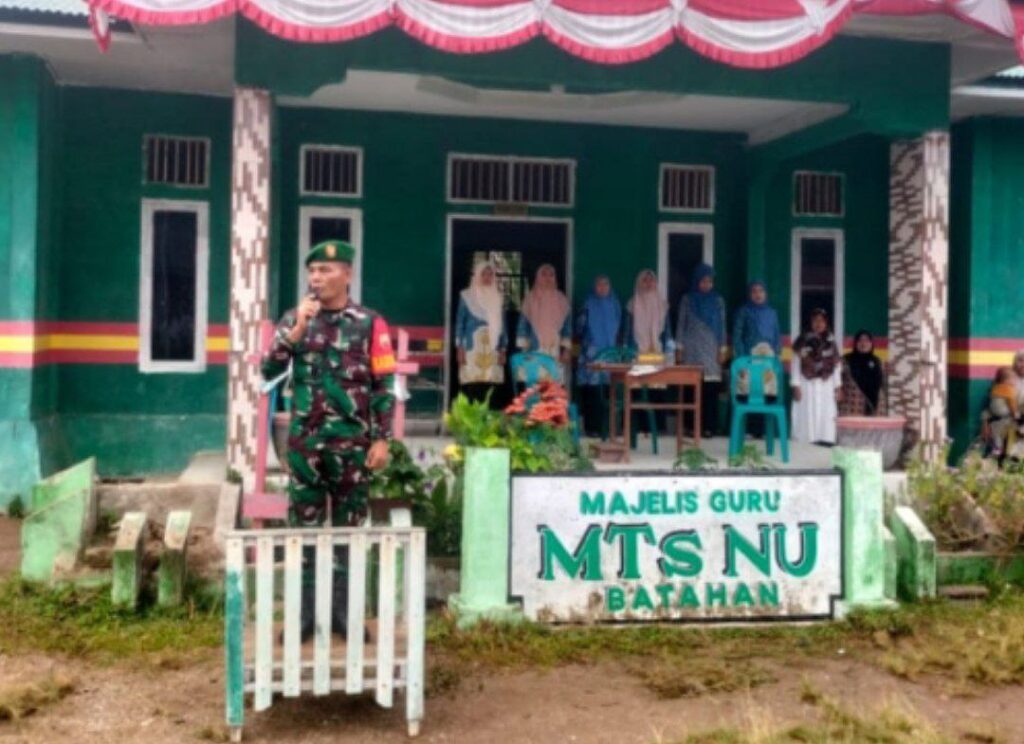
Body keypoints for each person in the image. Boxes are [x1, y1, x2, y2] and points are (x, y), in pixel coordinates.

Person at [261, 239, 395, 641]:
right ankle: (304, 616)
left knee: (350, 532)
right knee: (303, 530)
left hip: (352, 446)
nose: (316, 278)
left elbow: (384, 385)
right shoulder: (294, 318)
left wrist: (382, 440)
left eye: (325, 270)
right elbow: (269, 370)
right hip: (305, 445)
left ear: (347, 274)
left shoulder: (370, 323)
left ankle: (345, 614)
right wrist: (297, 331)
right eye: (313, 271)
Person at [675, 263, 727, 437]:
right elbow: (681, 324)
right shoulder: (687, 299)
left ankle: (708, 427)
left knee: (710, 389)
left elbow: (722, 326)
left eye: (710, 281)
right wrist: (679, 348)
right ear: (697, 281)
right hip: (692, 349)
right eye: (703, 281)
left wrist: (722, 349)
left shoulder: (718, 301)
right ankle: (690, 427)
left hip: (711, 349)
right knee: (691, 388)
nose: (706, 284)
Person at [626, 269, 674, 433]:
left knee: (657, 389)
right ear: (639, 283)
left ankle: (658, 428)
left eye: (651, 280)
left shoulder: (662, 305)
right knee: (638, 389)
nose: (648, 284)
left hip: (656, 351)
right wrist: (628, 350)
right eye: (644, 280)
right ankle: (639, 427)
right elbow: (627, 330)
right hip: (638, 351)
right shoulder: (632, 304)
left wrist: (669, 350)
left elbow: (667, 331)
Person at [575, 275, 622, 437]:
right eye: (599, 285)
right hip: (591, 354)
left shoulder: (614, 304)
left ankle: (608, 428)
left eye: (605, 284)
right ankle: (592, 428)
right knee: (592, 391)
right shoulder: (587, 304)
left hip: (610, 354)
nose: (602, 288)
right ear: (594, 287)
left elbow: (618, 326)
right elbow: (579, 328)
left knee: (609, 391)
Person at [455, 261, 507, 405]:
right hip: (471, 347)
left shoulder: (498, 298)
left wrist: (503, 350)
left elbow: (503, 326)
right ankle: (472, 415)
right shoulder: (466, 296)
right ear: (477, 275)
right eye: (484, 274)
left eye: (490, 275)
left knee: (491, 383)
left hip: (493, 347)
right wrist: (459, 348)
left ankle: (488, 414)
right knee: (472, 381)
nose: (487, 278)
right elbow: (460, 323)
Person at [791, 308, 842, 445]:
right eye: (815, 320)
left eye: (821, 321)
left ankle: (826, 444)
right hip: (806, 384)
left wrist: (838, 387)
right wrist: (796, 385)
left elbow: (836, 366)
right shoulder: (802, 341)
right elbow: (796, 363)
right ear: (810, 322)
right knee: (806, 415)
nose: (818, 324)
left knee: (827, 416)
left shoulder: (831, 342)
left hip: (827, 384)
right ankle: (805, 446)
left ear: (826, 323)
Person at [516, 263, 571, 381]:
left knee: (553, 384)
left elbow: (567, 327)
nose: (548, 278)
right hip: (534, 347)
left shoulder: (561, 300)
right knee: (534, 382)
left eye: (551, 275)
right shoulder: (530, 299)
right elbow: (523, 325)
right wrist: (524, 350)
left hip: (554, 349)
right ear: (538, 277)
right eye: (544, 275)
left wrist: (566, 350)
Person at [981, 350, 1024, 451]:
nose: (1023, 364)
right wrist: (985, 424)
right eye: (1020, 361)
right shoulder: (1004, 378)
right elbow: (991, 405)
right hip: (1003, 426)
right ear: (1014, 363)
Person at [841, 330, 886, 415]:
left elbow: (882, 384)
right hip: (852, 405)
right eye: (860, 340)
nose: (863, 343)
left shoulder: (877, 361)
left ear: (871, 343)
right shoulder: (846, 360)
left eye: (866, 340)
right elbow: (838, 379)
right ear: (855, 343)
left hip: (876, 406)